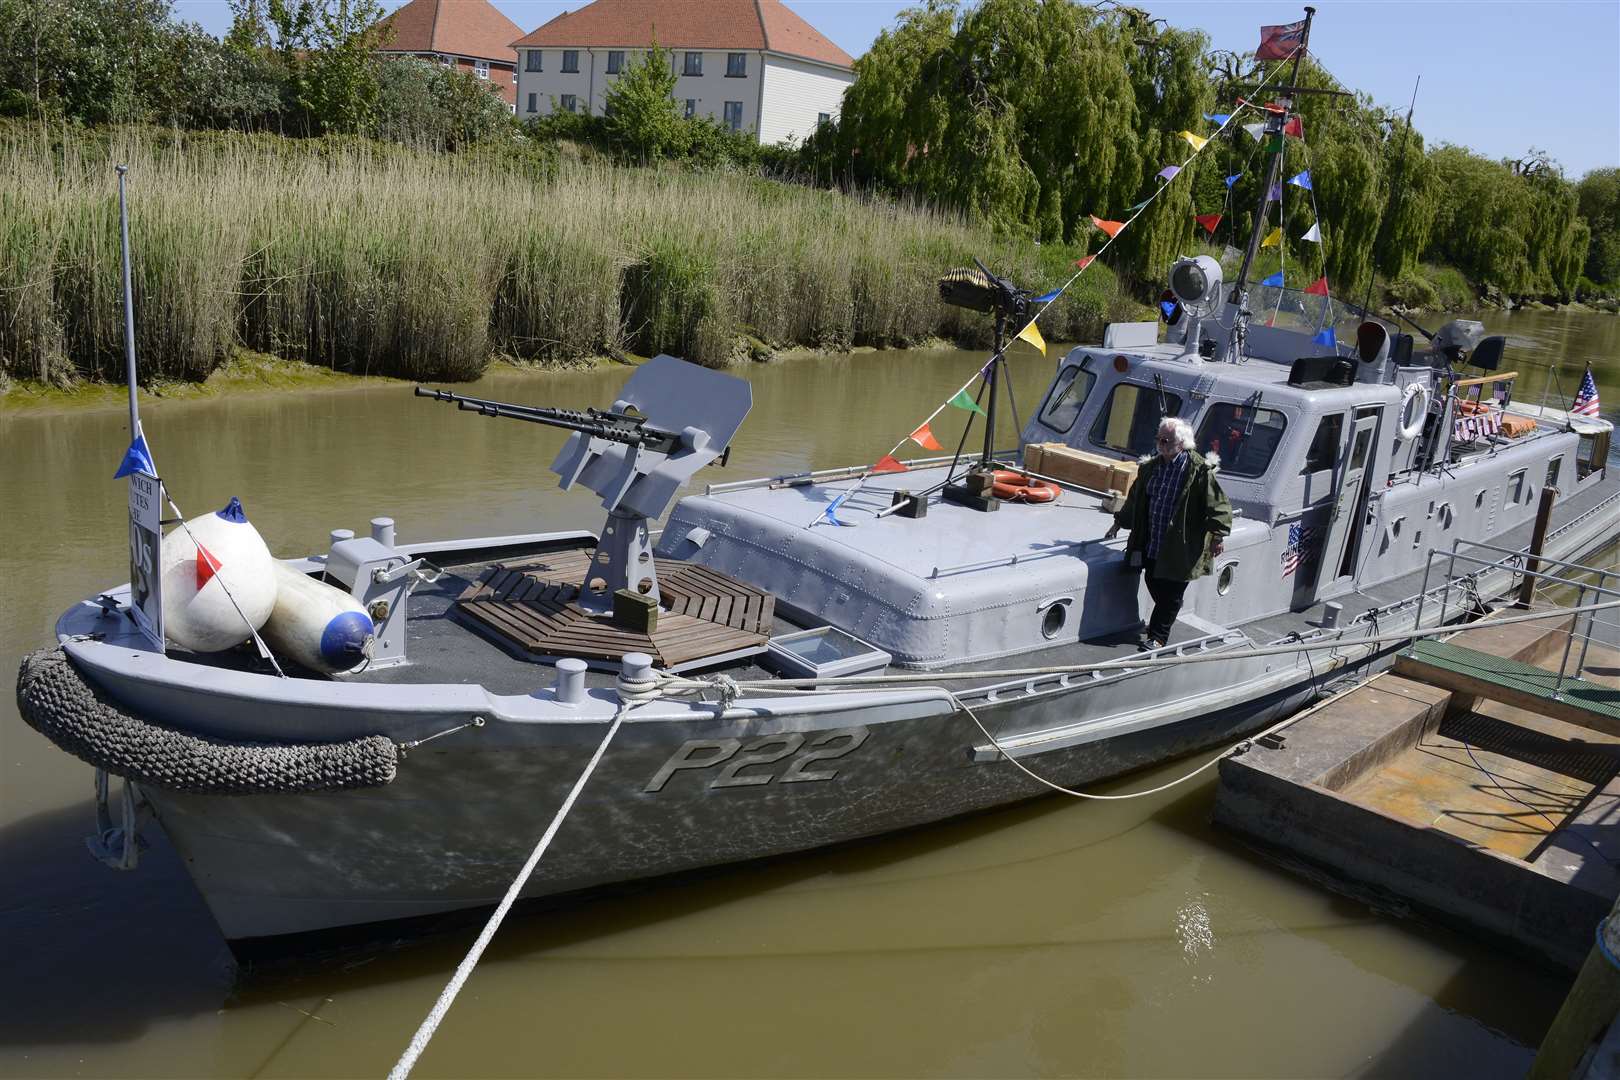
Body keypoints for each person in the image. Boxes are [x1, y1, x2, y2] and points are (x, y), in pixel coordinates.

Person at [1103, 416, 1232, 651]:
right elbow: (1135, 500)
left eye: (1166, 440)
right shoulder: (1150, 468)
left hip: (1181, 545)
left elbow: (1218, 505)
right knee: (1153, 580)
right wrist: (1119, 522)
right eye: (1158, 439)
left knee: (1172, 592)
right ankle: (1164, 616)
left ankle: (1158, 636)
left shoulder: (1199, 471)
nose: (1161, 444)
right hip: (1153, 541)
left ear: (1182, 444)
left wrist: (1218, 536)